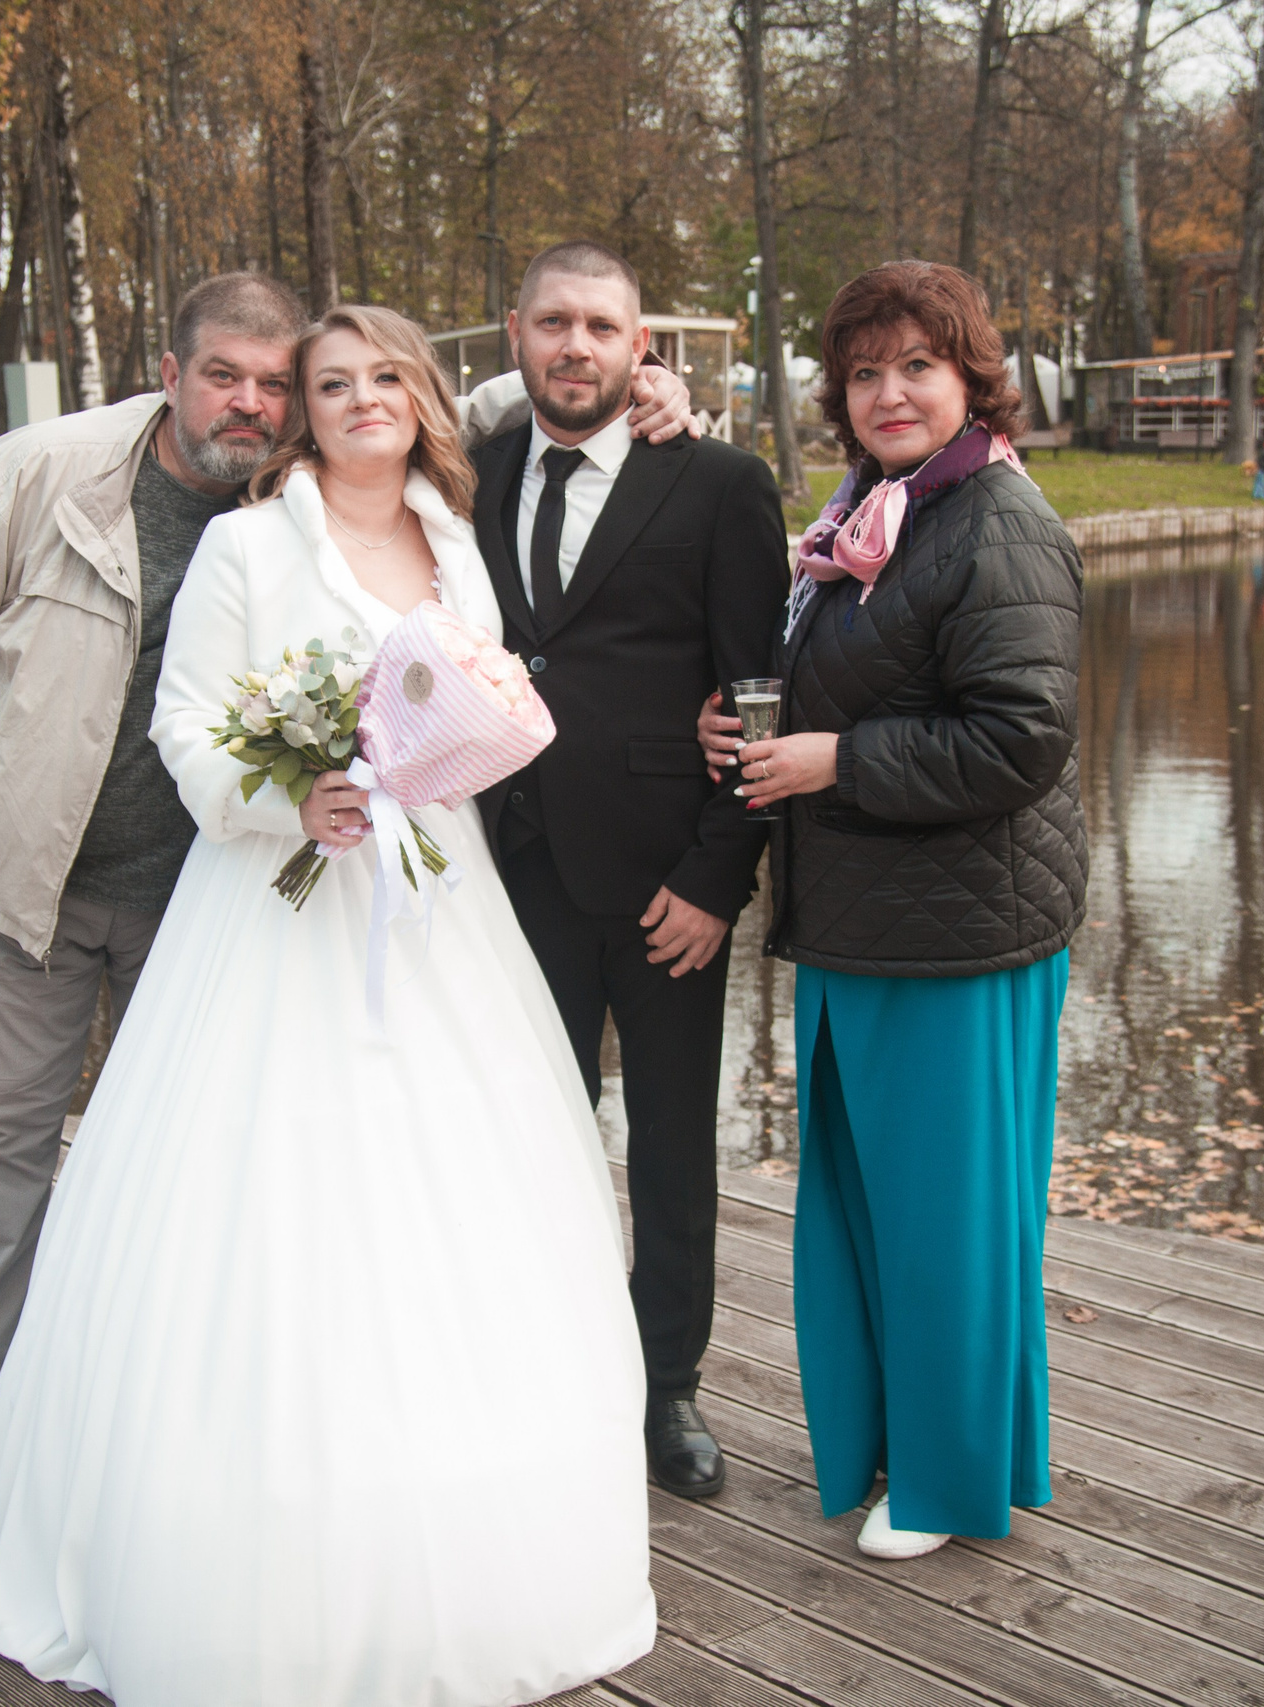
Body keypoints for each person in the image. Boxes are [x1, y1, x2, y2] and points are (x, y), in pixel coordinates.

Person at [0, 272, 695, 1495]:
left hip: (292, 893)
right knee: (10, 1137)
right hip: (67, 872)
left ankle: (305, 1410)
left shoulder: (440, 533)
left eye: (274, 381)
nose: (252, 402)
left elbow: (442, 390)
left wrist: (648, 389)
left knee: (272, 1170)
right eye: (231, 378)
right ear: (172, 372)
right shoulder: (48, 479)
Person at [702, 260, 1085, 1561]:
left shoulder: (997, 520)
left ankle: (942, 1478)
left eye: (917, 365)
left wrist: (831, 761)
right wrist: (753, 730)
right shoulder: (872, 509)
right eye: (865, 370)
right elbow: (839, 685)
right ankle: (908, 1444)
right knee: (878, 1209)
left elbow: (1019, 738)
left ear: (970, 377)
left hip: (956, 936)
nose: (889, 391)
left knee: (946, 1221)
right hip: (866, 917)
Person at [470, 241, 788, 1500]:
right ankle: (543, 1369)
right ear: (515, 332)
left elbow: (760, 696)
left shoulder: (716, 484)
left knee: (667, 1144)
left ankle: (668, 1388)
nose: (576, 346)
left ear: (639, 344)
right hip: (507, 881)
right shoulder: (470, 478)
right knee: (524, 1140)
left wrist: (721, 878)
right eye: (553, 322)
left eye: (602, 326)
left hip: (668, 889)